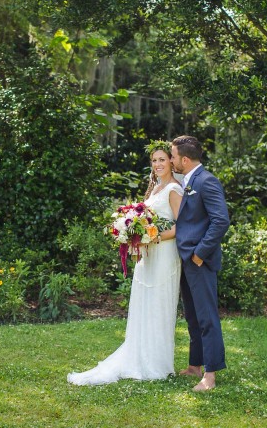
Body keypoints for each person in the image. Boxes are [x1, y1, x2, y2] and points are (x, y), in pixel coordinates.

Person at [68, 141, 183, 385]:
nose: (158, 164)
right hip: (147, 254)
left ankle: (157, 363)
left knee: (159, 302)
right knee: (144, 302)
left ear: (171, 161)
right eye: (154, 160)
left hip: (164, 253)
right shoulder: (154, 189)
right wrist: (136, 234)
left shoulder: (174, 189)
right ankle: (139, 355)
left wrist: (151, 236)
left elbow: (179, 227)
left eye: (162, 159)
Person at [171, 135, 230, 392]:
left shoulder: (206, 181)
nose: (171, 160)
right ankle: (195, 365)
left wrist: (199, 254)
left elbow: (221, 221)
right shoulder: (186, 181)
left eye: (172, 156)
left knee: (207, 318)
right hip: (186, 260)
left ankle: (210, 375)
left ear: (184, 159)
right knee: (193, 318)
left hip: (199, 261)